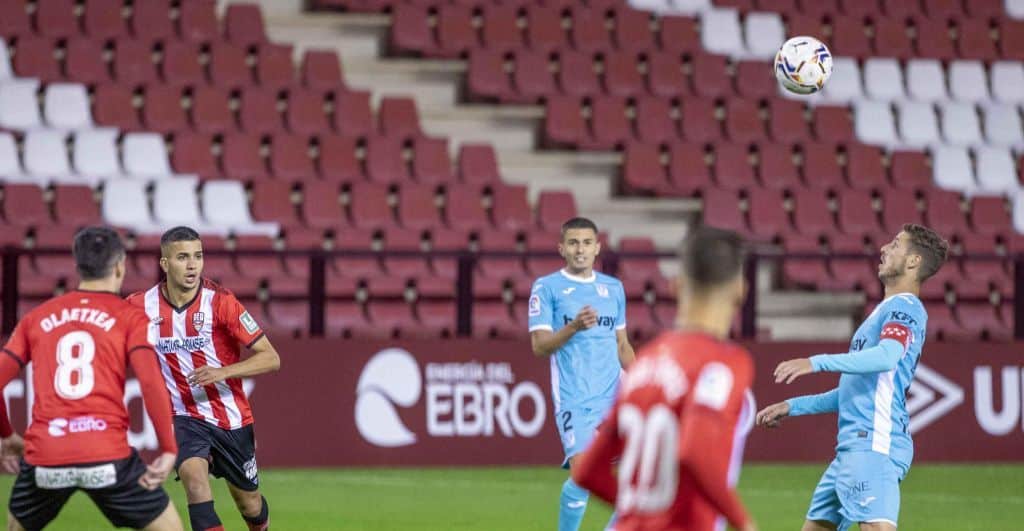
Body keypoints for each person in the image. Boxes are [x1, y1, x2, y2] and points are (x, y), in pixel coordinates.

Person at [755, 224, 949, 531]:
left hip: (873, 444)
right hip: (852, 448)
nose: (885, 248)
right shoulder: (883, 310)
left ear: (913, 262)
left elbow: (887, 356)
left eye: (896, 244)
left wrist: (816, 362)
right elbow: (853, 391)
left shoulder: (905, 307)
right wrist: (793, 406)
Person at [572, 226, 758, 531]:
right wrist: (745, 523)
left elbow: (587, 472)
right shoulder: (725, 362)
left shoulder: (645, 361)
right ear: (741, 289)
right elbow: (695, 452)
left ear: (675, 286)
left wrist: (644, 512)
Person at [0, 226, 181, 530]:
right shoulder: (130, 318)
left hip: (47, 456)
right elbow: (150, 383)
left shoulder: (37, 317)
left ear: (78, 265)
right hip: (106, 455)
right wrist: (168, 448)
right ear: (120, 265)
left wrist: (6, 435)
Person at [127, 226, 281, 531]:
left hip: (231, 418)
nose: (192, 264)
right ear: (165, 263)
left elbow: (271, 358)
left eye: (197, 256)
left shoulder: (221, 302)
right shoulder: (138, 305)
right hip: (185, 417)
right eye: (183, 257)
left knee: (249, 505)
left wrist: (223, 372)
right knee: (195, 484)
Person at [528, 217, 635, 531]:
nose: (580, 249)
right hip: (576, 397)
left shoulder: (613, 288)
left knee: (648, 477)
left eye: (587, 243)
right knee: (584, 478)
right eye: (573, 242)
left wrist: (646, 380)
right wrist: (574, 326)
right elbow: (540, 346)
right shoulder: (547, 287)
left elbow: (622, 345)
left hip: (617, 393)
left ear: (597, 247)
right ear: (561, 248)